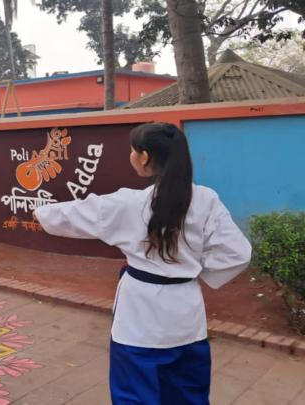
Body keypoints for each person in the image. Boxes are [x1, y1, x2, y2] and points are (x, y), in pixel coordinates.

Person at [34, 123, 251, 404]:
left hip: (139, 319)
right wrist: (195, 272)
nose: (131, 156)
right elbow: (238, 253)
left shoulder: (127, 203)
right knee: (188, 395)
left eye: (132, 151)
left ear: (145, 157)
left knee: (135, 396)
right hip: (186, 314)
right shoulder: (206, 200)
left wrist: (38, 211)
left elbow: (71, 214)